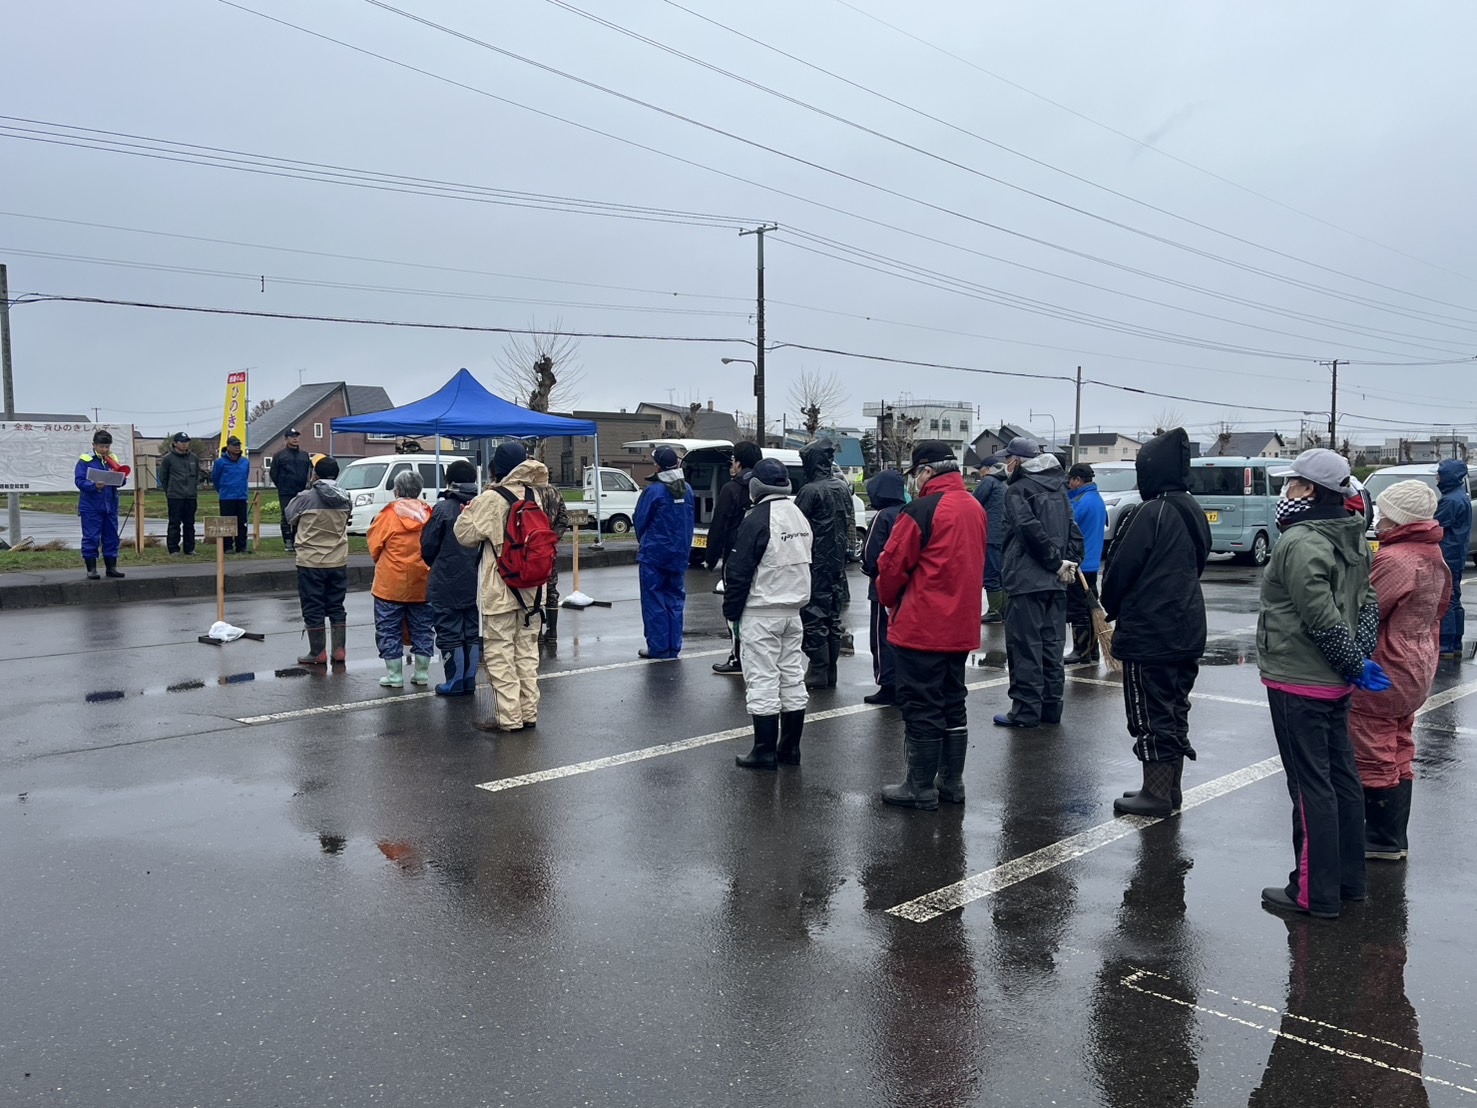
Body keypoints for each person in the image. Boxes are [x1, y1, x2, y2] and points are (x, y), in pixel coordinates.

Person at [1257, 448, 1389, 921]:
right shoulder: (1353, 535)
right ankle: (1349, 882)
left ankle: (1313, 892)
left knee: (1310, 786)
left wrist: (1353, 661)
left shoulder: (1299, 541)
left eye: (1291, 483)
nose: (1285, 491)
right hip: (1335, 681)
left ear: (1309, 490)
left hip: (1299, 679)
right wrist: (1357, 661)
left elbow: (1320, 616)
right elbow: (1368, 601)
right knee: (1342, 779)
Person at [1098, 429, 1212, 817]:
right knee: (1175, 706)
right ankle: (1168, 788)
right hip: (1188, 623)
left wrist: (1111, 604)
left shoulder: (1150, 512)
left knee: (1149, 710)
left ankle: (1156, 793)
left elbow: (1120, 570)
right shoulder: (1192, 508)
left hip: (1151, 628)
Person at [876, 442, 988, 810]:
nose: (914, 481)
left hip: (923, 625)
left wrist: (889, 599)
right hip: (961, 625)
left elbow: (892, 567)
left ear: (926, 471)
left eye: (915, 474)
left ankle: (919, 786)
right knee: (953, 701)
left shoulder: (920, 510)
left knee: (920, 704)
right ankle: (951, 782)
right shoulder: (974, 506)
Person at [1350, 481, 1452, 861]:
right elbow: (1441, 607)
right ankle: (1395, 836)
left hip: (1386, 666)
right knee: (1399, 744)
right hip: (1417, 664)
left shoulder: (1395, 560)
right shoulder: (1433, 554)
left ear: (1398, 518)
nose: (1378, 519)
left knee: (1372, 748)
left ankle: (1380, 839)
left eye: (1385, 512)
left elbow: (1365, 610)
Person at [454, 442, 550, 730]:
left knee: (500, 654)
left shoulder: (491, 498)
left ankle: (509, 718)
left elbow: (464, 534)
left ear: (497, 467)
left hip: (500, 587)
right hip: (532, 589)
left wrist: (468, 512)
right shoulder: (536, 494)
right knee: (527, 653)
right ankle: (529, 713)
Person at [726, 458, 814, 770]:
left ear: (755, 486)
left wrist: (731, 611)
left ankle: (763, 751)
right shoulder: (798, 515)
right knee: (791, 676)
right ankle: (790, 748)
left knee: (762, 678)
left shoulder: (757, 519)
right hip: (793, 611)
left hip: (761, 611)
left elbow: (738, 571)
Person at [994, 437, 1084, 729]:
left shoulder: (1018, 490)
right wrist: (1068, 563)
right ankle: (1051, 707)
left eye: (1008, 458)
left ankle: (1025, 711)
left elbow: (1027, 529)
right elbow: (1073, 530)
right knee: (1051, 646)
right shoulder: (1059, 488)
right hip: (1057, 582)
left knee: (1025, 647)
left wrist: (1053, 562)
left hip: (1026, 579)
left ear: (1018, 461)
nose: (1005, 464)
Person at [794, 438, 855, 688]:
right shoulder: (841, 487)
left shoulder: (810, 491)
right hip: (836, 563)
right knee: (831, 615)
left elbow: (796, 526)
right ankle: (830, 670)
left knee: (813, 615)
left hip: (815, 561)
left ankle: (818, 669)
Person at [420, 459, 483, 696]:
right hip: (478, 579)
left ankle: (454, 680)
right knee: (473, 629)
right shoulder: (484, 506)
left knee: (449, 629)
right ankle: (469, 678)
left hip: (446, 579)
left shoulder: (443, 509)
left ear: (450, 481)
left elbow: (428, 546)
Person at [368, 469, 434, 688]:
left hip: (390, 582)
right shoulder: (429, 513)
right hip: (423, 581)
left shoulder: (388, 514)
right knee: (423, 628)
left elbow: (375, 546)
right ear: (419, 490)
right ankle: (422, 673)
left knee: (388, 628)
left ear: (396, 490)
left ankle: (395, 676)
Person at [285, 455, 352, 666]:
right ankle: (339, 650)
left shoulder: (305, 498)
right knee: (336, 605)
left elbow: (289, 516)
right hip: (337, 559)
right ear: (337, 474)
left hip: (310, 561)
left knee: (313, 606)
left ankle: (317, 652)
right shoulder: (346, 498)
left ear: (315, 474)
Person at [706, 440, 763, 675]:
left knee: (734, 607)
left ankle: (738, 657)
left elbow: (719, 524)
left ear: (738, 463)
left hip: (735, 555)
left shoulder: (731, 488)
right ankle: (755, 654)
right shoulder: (765, 488)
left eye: (733, 460)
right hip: (763, 556)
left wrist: (711, 557)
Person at [633, 445, 695, 660]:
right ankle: (673, 647)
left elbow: (640, 520)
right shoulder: (687, 489)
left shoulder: (654, 491)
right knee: (675, 600)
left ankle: (658, 648)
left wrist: (645, 542)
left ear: (657, 466)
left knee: (654, 600)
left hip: (654, 554)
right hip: (679, 554)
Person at [861, 469, 907, 705]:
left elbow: (870, 553)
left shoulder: (883, 516)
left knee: (881, 636)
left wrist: (870, 569)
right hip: (907, 585)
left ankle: (887, 684)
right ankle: (904, 683)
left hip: (882, 585)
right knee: (902, 636)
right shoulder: (909, 511)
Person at [1064, 462, 1107, 665]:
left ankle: (1081, 651)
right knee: (1090, 607)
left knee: (1078, 608)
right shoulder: (1097, 499)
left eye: (1071, 479)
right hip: (1092, 561)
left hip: (1080, 562)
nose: (1069, 483)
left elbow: (1068, 527)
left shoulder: (1080, 502)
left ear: (1078, 480)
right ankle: (1092, 649)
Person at [74, 428, 129, 580]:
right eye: (101, 446)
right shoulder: (85, 460)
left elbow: (122, 480)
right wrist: (94, 486)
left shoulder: (112, 458)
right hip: (91, 506)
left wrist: (120, 478)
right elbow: (79, 481)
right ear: (94, 445)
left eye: (107, 446)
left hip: (110, 505)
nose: (104, 449)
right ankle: (91, 569)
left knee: (111, 537)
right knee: (91, 537)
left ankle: (111, 568)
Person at [531, 466, 572, 643]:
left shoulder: (529, 492)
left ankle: (537, 632)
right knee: (551, 586)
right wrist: (553, 538)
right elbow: (564, 518)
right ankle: (552, 631)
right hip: (550, 547)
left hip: (532, 546)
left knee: (534, 587)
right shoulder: (555, 492)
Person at [1435, 458, 1471, 659]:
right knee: (1454, 599)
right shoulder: (1461, 496)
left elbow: (1436, 525)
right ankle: (1455, 643)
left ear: (1448, 476)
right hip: (1457, 554)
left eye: (1440, 474)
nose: (1437, 478)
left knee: (1445, 599)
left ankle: (1445, 644)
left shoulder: (1450, 501)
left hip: (1447, 554)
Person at [973, 456, 1008, 624]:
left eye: (981, 468)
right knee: (1001, 573)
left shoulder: (988, 481)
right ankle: (1004, 610)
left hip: (990, 535)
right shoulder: (1003, 484)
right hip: (1003, 534)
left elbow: (973, 503)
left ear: (988, 469)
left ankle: (994, 611)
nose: (980, 472)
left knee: (991, 573)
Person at [157, 432, 200, 556]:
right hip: (175, 496)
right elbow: (163, 477)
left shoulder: (193, 458)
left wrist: (193, 488)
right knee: (174, 523)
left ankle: (189, 548)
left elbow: (197, 475)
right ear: (175, 443)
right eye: (182, 442)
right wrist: (170, 491)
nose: (185, 444)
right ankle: (173, 548)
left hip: (190, 496)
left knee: (189, 523)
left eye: (186, 441)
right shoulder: (168, 458)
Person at [271, 428, 312, 552]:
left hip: (301, 490)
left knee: (299, 515)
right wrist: (281, 485)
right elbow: (274, 473)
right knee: (286, 515)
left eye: (297, 436)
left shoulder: (304, 455)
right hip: (286, 491)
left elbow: (309, 471)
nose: (295, 439)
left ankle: (297, 540)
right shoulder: (279, 455)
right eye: (292, 437)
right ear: (286, 439)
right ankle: (288, 541)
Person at [210, 436, 251, 554]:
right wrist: (222, 489)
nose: (237, 447)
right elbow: (215, 478)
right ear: (228, 447)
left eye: (238, 445)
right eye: (234, 445)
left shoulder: (245, 462)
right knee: (227, 522)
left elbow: (245, 476)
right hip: (227, 497)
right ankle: (227, 547)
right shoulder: (220, 462)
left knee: (242, 522)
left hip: (241, 496)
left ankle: (241, 546)